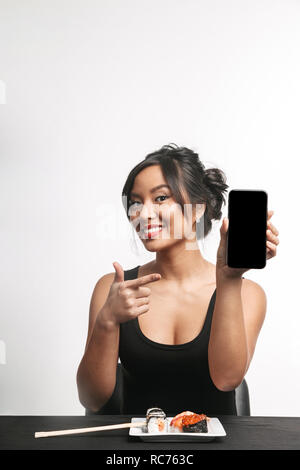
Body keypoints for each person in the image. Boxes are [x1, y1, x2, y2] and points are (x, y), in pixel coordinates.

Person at [76, 143, 279, 415]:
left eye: (160, 198)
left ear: (197, 208)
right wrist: (107, 321)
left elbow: (227, 379)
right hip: (136, 453)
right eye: (136, 202)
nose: (142, 214)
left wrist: (228, 279)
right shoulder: (114, 289)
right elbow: (92, 399)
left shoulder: (248, 293)